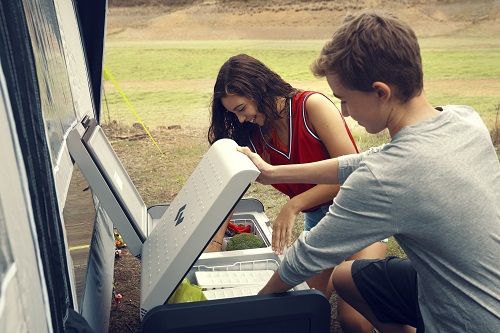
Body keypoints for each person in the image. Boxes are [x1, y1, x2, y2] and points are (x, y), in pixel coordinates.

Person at [237, 10, 500, 333]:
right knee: (347, 277)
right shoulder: (465, 119)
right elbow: (366, 161)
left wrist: (247, 311)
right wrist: (275, 174)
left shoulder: (385, 178)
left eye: (345, 100)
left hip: (469, 321)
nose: (344, 112)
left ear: (380, 92)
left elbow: (305, 257)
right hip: (477, 283)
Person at [206, 53, 387, 333]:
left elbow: (353, 173)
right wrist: (215, 245)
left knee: (354, 321)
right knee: (299, 312)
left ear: (260, 88)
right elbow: (234, 185)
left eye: (242, 108)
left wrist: (293, 205)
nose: (241, 119)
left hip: (361, 215)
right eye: (234, 114)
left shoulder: (311, 106)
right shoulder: (254, 133)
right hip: (321, 226)